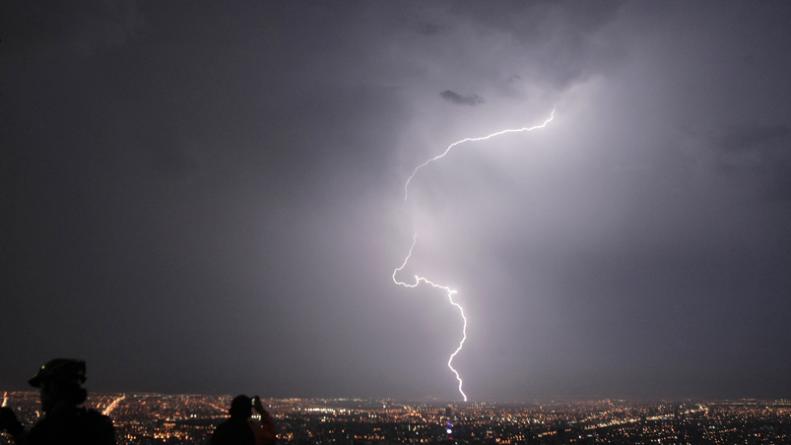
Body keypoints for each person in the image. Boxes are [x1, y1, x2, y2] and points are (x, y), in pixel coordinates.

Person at [0, 358, 116, 445]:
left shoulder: (50, 429)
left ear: (54, 389)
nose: (41, 394)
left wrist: (14, 427)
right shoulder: (98, 424)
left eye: (43, 388)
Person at [211, 394, 276, 445]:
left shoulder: (222, 429)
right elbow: (270, 438)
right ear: (248, 412)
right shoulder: (249, 431)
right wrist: (260, 410)